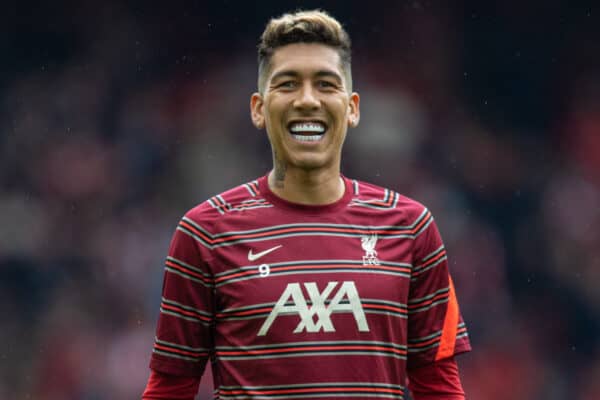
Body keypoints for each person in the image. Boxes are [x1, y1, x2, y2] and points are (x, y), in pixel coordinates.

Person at [142, 9, 471, 400]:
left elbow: (438, 384)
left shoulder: (413, 227)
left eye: (326, 84)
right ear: (259, 109)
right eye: (287, 84)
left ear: (352, 108)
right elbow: (171, 387)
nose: (307, 100)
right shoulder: (203, 233)